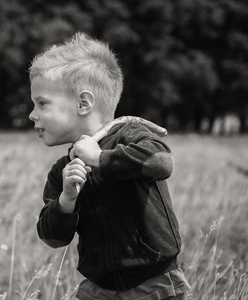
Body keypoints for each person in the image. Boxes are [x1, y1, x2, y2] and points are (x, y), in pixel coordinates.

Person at [28, 32, 191, 300]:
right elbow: (53, 238)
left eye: (41, 103)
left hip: (155, 284)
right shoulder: (62, 171)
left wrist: (100, 159)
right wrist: (66, 200)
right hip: (98, 289)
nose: (32, 114)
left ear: (83, 103)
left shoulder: (130, 134)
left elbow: (161, 162)